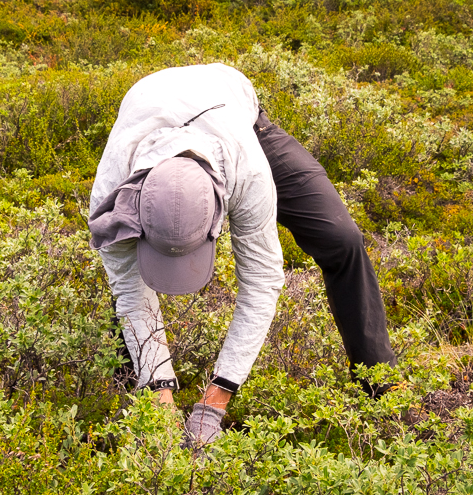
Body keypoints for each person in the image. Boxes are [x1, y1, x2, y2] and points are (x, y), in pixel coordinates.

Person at [88, 63, 396, 447]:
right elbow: (131, 290)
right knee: (123, 289)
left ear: (221, 214)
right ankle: (141, 387)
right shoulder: (112, 194)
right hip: (151, 108)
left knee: (341, 238)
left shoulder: (248, 173)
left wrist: (214, 402)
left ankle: (380, 383)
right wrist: (161, 394)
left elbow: (262, 282)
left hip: (235, 115)